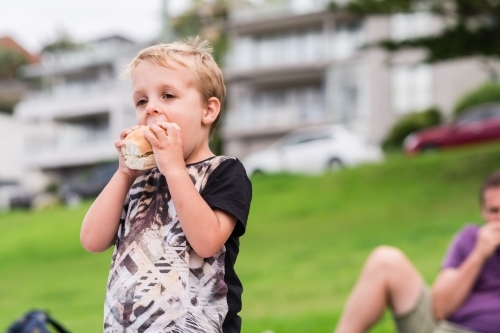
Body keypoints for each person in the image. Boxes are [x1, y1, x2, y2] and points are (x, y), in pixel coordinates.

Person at [80, 37, 252, 333]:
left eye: (168, 96)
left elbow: (208, 241)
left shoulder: (224, 172)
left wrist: (173, 168)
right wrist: (123, 173)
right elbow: (92, 240)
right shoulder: (137, 179)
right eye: (142, 101)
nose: (151, 109)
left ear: (207, 111)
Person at [334, 171, 500, 333]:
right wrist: (478, 256)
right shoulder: (471, 239)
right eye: (494, 211)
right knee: (385, 260)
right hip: (441, 327)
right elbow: (439, 309)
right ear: (482, 211)